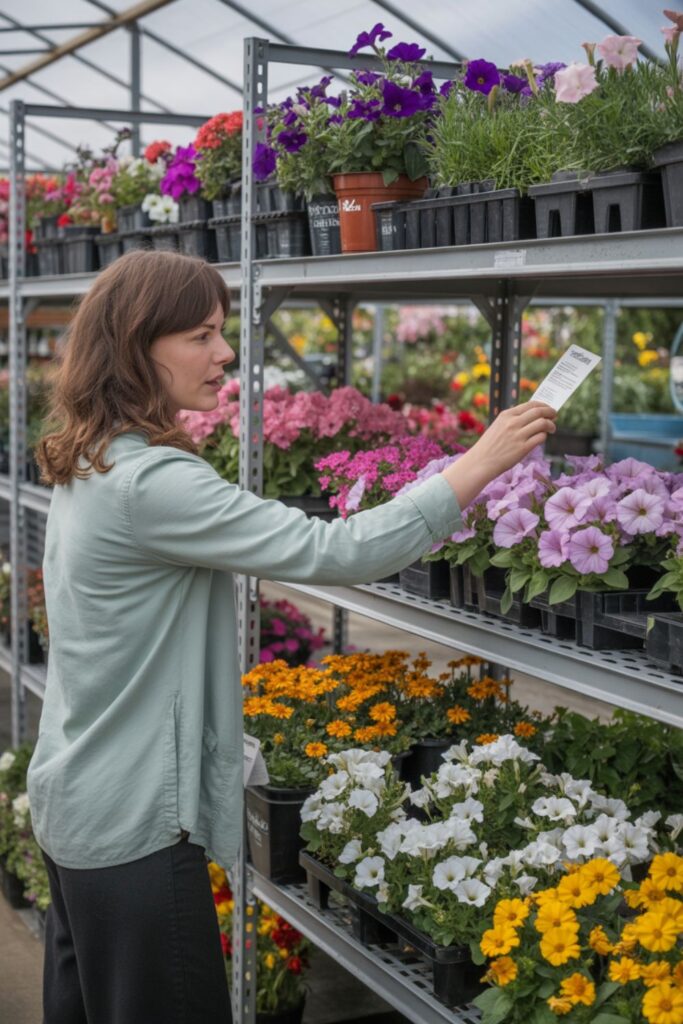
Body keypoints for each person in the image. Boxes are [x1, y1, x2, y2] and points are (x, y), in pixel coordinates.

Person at [27, 249, 556, 1023]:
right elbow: (332, 552)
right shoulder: (152, 484)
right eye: (201, 335)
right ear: (139, 345)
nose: (225, 354)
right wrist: (477, 464)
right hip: (136, 829)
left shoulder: (94, 459)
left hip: (79, 805)